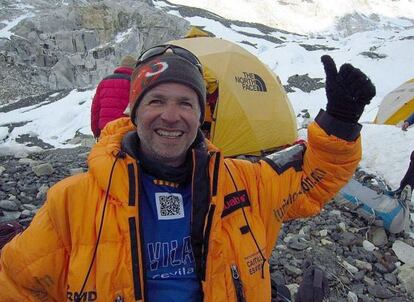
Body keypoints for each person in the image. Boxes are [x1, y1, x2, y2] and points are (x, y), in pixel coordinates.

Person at [0, 45, 375, 301]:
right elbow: (16, 286)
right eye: (156, 101)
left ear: (201, 116)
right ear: (133, 113)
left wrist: (339, 123)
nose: (171, 115)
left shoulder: (244, 182)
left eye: (185, 103)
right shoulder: (72, 201)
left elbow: (310, 184)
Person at [90, 55, 136, 138]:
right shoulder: (134, 82)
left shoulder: (104, 82)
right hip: (125, 130)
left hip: (105, 130)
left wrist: (96, 132)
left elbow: (95, 110)